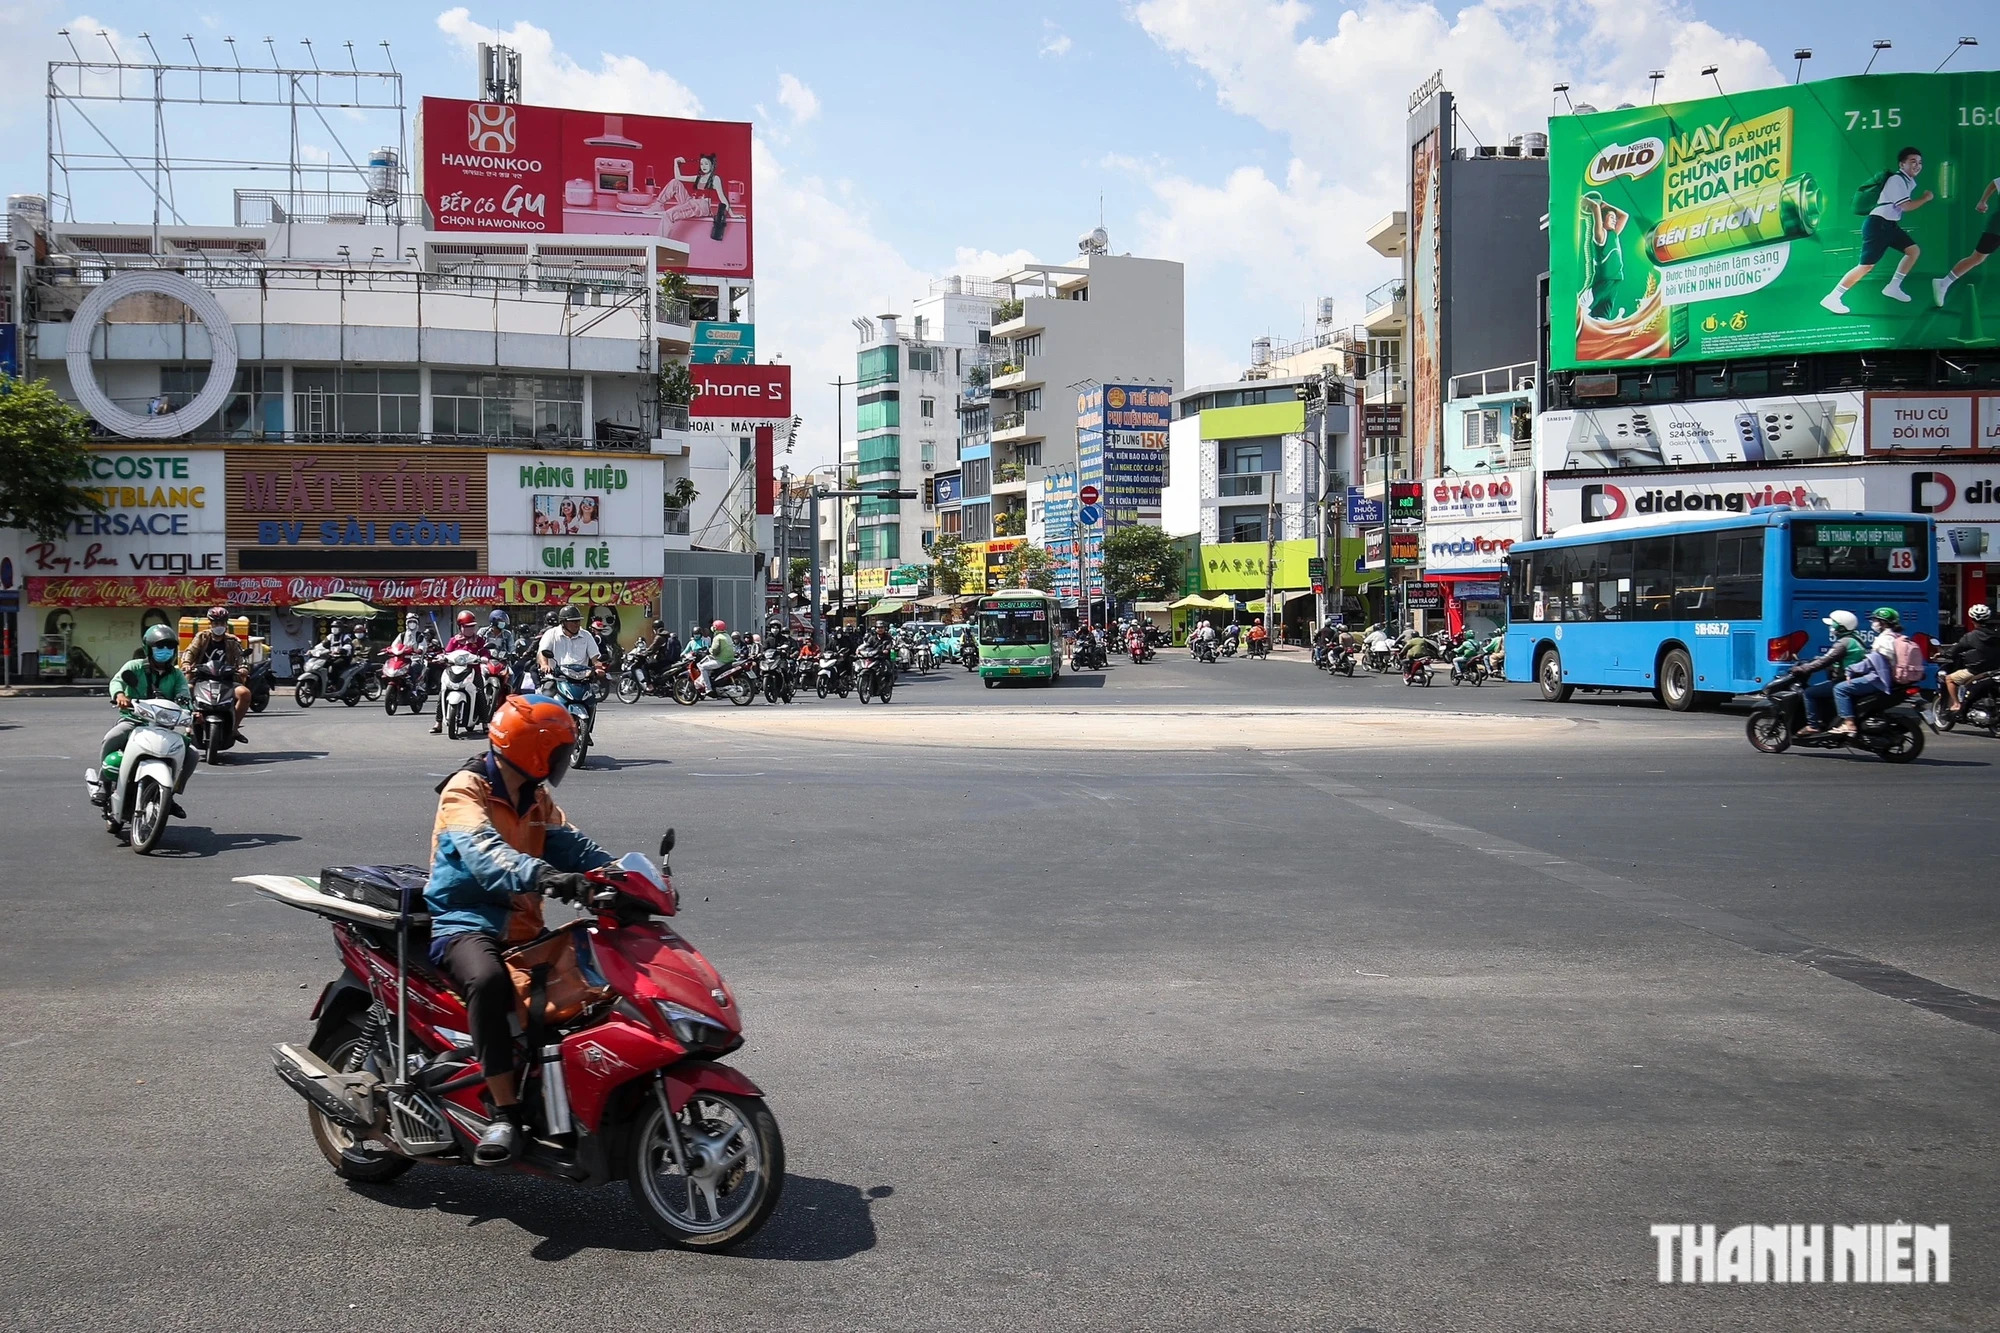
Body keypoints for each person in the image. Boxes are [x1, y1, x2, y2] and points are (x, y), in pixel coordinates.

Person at [425, 694, 610, 1164]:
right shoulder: (465, 790)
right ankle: (503, 1112)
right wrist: (546, 876)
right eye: (560, 751)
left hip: (523, 926)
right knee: (488, 981)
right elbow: (485, 856)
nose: (565, 760)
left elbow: (574, 848)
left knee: (586, 980)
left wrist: (621, 877)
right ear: (534, 751)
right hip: (465, 922)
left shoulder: (534, 797)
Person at [1823, 147, 1932, 314]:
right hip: (1878, 225)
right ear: (1902, 164)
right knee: (1866, 266)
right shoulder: (1896, 180)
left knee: (1913, 251)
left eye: (1920, 163)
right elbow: (1906, 206)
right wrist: (1925, 198)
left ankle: (1893, 287)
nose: (1917, 165)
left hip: (1890, 225)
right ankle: (1833, 297)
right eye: (1913, 162)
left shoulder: (1908, 181)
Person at [96, 624, 194, 805]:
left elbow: (184, 695)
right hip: (134, 720)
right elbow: (117, 681)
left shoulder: (177, 674)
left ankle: (170, 794)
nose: (165, 651)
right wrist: (120, 695)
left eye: (169, 647)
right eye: (160, 647)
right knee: (112, 737)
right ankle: (104, 783)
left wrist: (190, 709)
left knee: (192, 754)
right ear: (149, 648)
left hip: (164, 725)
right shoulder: (134, 666)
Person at [1791, 610, 1868, 736]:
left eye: (1833, 624)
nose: (1830, 627)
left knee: (1809, 693)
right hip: (1853, 677)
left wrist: (1803, 669)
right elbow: (1830, 659)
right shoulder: (1855, 638)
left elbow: (1826, 661)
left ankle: (1813, 725)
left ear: (1840, 626)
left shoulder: (1843, 643)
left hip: (1844, 679)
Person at [1831, 609, 1907, 736]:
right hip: (1888, 677)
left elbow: (1876, 662)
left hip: (1879, 678)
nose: (1873, 623)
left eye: (1875, 620)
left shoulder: (1884, 639)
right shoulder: (1897, 636)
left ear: (1883, 623)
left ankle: (1848, 724)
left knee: (1840, 689)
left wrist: (1852, 669)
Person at [183, 605, 251, 741]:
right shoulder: (201, 637)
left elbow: (241, 657)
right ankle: (189, 725)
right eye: (215, 623)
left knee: (245, 694)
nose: (218, 626)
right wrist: (186, 663)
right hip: (201, 678)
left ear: (226, 624)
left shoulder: (233, 640)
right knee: (186, 690)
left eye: (221, 623)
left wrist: (243, 667)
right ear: (210, 624)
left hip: (226, 679)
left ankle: (234, 728)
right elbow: (190, 651)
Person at [1933, 175, 2000, 307]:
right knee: (1977, 258)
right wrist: (1983, 201)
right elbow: (1994, 183)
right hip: (1997, 226)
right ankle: (1943, 283)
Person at [434, 612, 495, 734]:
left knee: (479, 693)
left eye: (472, 626)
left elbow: (484, 652)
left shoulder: (479, 640)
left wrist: (484, 658)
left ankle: (484, 723)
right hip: (454, 671)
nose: (470, 629)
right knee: (443, 691)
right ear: (460, 627)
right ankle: (438, 723)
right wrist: (441, 657)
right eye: (467, 626)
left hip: (473, 672)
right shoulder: (454, 641)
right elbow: (447, 653)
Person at [1942, 604, 2000, 714]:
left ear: (1972, 619)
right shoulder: (1996, 634)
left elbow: (1954, 650)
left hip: (1976, 671)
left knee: (1949, 679)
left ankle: (1956, 704)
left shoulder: (1970, 636)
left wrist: (1944, 654)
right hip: (1995, 670)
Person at [696, 618, 737, 696]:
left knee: (703, 667)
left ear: (715, 628)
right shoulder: (727, 636)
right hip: (730, 659)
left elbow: (715, 650)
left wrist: (709, 651)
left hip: (721, 660)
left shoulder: (717, 638)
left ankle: (708, 689)